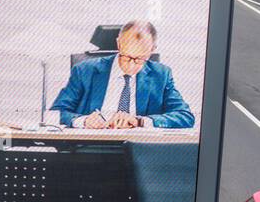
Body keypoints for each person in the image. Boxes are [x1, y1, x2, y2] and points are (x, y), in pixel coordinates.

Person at [50, 20, 195, 129]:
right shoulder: (84, 71)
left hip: (139, 151)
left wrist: (140, 121)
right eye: (126, 57)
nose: (131, 65)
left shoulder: (161, 75)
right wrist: (83, 120)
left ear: (152, 50)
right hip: (92, 147)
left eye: (139, 59)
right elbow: (56, 113)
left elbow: (185, 116)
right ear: (119, 44)